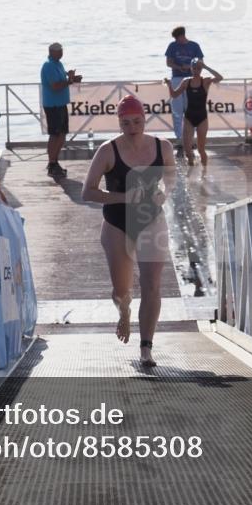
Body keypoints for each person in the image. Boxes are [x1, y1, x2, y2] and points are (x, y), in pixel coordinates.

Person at [81, 95, 176, 367]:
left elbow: (170, 177)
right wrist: (123, 197)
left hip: (151, 221)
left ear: (145, 120)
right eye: (126, 123)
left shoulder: (163, 147)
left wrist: (164, 193)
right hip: (117, 224)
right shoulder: (108, 151)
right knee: (122, 290)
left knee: (152, 286)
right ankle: (124, 311)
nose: (132, 127)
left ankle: (146, 348)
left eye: (137, 122)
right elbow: (87, 191)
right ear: (119, 123)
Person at [164, 58, 223, 167]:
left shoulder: (205, 81)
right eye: (194, 68)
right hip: (189, 118)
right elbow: (174, 95)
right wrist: (169, 85)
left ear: (201, 69)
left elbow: (220, 77)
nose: (196, 70)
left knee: (201, 150)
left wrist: (206, 67)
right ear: (191, 69)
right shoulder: (186, 81)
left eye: (199, 68)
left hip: (202, 118)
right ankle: (191, 167)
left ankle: (204, 172)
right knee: (188, 151)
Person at [40, 42, 82, 177]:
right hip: (53, 105)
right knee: (55, 134)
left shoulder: (58, 64)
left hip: (61, 103)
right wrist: (69, 82)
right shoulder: (48, 66)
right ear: (52, 52)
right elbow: (55, 86)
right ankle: (52, 163)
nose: (61, 53)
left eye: (62, 50)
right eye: (59, 51)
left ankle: (55, 161)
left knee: (62, 133)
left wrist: (72, 78)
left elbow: (62, 81)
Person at [164, 27, 205, 146]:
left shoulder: (194, 46)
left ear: (183, 35)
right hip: (177, 78)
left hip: (191, 79)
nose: (178, 41)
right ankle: (179, 138)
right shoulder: (172, 46)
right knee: (177, 110)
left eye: (179, 38)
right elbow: (168, 62)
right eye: (176, 39)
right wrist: (178, 67)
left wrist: (190, 67)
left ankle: (192, 138)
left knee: (191, 109)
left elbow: (201, 62)